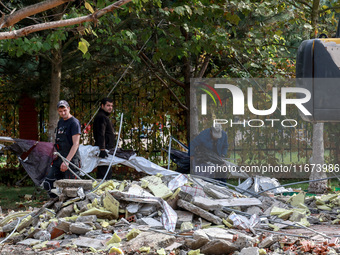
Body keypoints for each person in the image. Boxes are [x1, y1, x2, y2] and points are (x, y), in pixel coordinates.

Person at [43, 100, 81, 198]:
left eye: (64, 110)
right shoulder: (60, 122)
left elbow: (76, 144)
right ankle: (56, 205)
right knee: (49, 183)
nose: (63, 113)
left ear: (68, 109)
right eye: (60, 111)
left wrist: (67, 161)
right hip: (59, 158)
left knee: (70, 189)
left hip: (71, 160)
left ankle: (70, 208)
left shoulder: (74, 123)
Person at [93, 98, 115, 180]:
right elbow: (100, 134)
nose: (110, 107)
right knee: (104, 174)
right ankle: (102, 190)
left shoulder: (103, 116)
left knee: (106, 172)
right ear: (102, 106)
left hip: (106, 148)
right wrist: (102, 149)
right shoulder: (101, 117)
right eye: (108, 105)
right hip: (104, 149)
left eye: (111, 106)